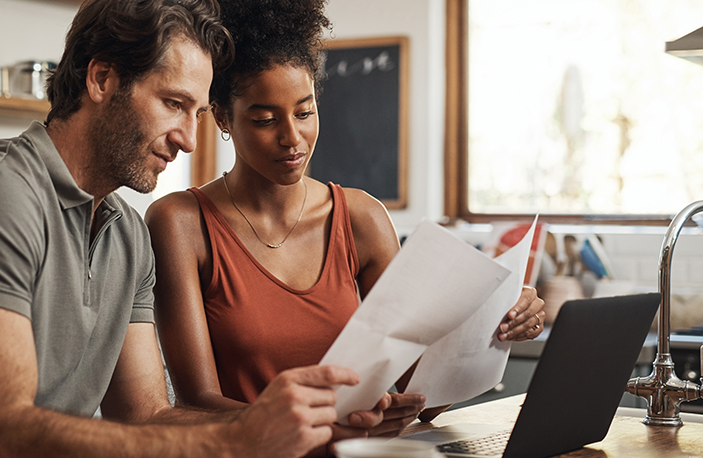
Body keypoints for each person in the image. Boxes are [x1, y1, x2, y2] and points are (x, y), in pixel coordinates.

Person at [0, 1, 382, 457]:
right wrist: (234, 443)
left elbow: (145, 415)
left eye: (196, 112)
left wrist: (296, 423)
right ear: (102, 79)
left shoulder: (125, 233)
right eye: (173, 104)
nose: (189, 139)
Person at [144, 0, 547, 445]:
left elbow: (425, 395)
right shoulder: (180, 222)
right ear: (222, 116)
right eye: (264, 119)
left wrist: (497, 324)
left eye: (304, 111)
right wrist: (322, 430)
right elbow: (197, 401)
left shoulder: (361, 218)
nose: (292, 139)